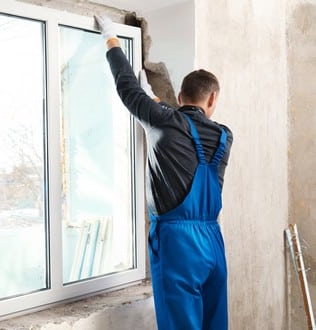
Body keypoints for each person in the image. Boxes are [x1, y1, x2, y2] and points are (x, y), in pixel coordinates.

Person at [94, 15, 233, 330]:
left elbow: (127, 89)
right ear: (213, 99)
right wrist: (156, 99)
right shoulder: (225, 136)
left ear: (181, 98)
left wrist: (111, 40)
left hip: (178, 245)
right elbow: (183, 122)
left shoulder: (165, 121)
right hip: (213, 242)